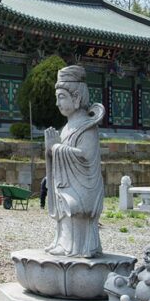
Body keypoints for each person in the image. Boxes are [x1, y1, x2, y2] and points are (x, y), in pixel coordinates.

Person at [44, 65, 105, 258]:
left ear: (77, 98)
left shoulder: (87, 127)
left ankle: (79, 248)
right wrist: (49, 149)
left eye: (61, 97)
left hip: (82, 188)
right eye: (57, 97)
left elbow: (85, 157)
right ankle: (64, 244)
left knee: (75, 213)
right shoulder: (67, 127)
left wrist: (56, 148)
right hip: (65, 184)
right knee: (64, 215)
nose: (57, 103)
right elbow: (58, 152)